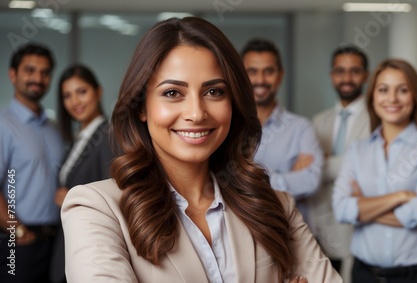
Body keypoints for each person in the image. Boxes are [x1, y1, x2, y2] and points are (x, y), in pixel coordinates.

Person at [61, 17, 342, 283]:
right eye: (172, 93)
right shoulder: (95, 208)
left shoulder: (275, 204)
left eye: (214, 92)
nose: (196, 113)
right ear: (141, 107)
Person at [333, 59, 417, 283]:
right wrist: (401, 196)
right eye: (383, 89)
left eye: (403, 90)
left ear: (415, 95)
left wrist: (363, 206)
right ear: (373, 97)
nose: (392, 99)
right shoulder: (357, 150)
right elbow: (341, 209)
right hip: (364, 275)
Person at [240, 38, 324, 226]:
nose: (260, 80)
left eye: (268, 71)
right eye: (252, 71)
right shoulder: (227, 126)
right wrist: (285, 177)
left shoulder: (301, 128)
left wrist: (245, 177)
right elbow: (218, 180)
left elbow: (311, 181)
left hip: (291, 236)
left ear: (280, 75)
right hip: (239, 236)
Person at [0, 43, 64, 282]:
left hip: (55, 241)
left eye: (45, 72)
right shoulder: (3, 125)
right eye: (30, 70)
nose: (38, 78)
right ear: (13, 74)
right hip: (18, 242)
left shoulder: (54, 128)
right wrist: (17, 228)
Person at [50, 64, 116, 283]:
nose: (75, 102)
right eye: (67, 96)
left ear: (98, 92)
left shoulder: (108, 136)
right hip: (68, 241)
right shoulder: (78, 139)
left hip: (92, 245)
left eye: (82, 92)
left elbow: (116, 194)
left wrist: (70, 197)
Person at [309, 45, 371, 274]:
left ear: (365, 75)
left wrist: (323, 163)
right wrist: (349, 162)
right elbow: (310, 175)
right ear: (331, 75)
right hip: (321, 225)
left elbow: (367, 169)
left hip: (359, 225)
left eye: (354, 71)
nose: (347, 78)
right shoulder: (318, 121)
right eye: (340, 71)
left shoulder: (377, 118)